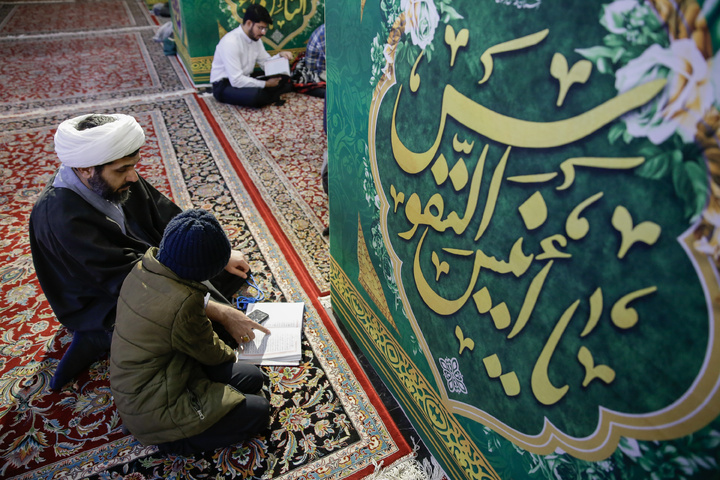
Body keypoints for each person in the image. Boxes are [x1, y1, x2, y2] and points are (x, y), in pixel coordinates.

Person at [29, 113, 266, 390]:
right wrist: (222, 313)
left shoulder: (116, 177)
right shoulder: (62, 218)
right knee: (201, 325)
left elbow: (167, 218)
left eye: (133, 166)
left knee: (219, 270)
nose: (133, 176)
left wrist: (218, 255)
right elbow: (133, 286)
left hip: (138, 266)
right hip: (103, 300)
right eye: (121, 170)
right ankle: (98, 335)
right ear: (85, 169)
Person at [110, 209, 271, 454]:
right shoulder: (184, 302)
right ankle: (174, 442)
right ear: (206, 272)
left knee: (252, 377)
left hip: (155, 380)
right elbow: (212, 353)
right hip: (156, 409)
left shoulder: (144, 267)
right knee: (259, 411)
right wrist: (236, 351)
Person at [210, 4, 294, 108]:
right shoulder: (231, 42)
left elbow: (266, 63)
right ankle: (268, 94)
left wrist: (280, 56)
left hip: (246, 77)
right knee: (255, 96)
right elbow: (236, 80)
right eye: (260, 28)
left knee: (283, 77)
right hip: (225, 85)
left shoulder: (255, 39)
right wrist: (267, 84)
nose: (263, 32)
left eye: (265, 29)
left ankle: (268, 94)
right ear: (249, 23)